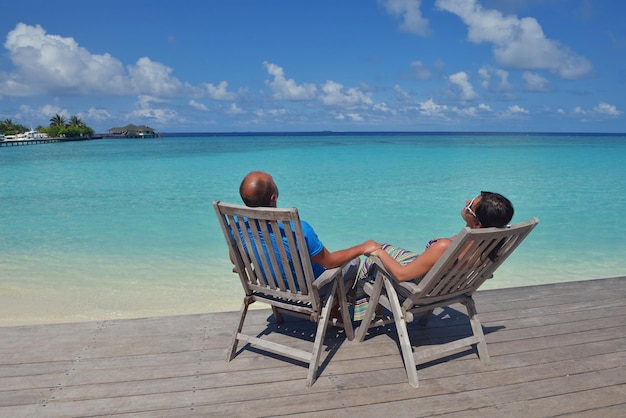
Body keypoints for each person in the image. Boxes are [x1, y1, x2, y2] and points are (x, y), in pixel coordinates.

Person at [354, 191, 514, 320]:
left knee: (373, 259)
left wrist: (378, 252)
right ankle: (375, 309)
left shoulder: (445, 248)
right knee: (384, 247)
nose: (466, 202)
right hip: (444, 288)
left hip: (414, 290)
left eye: (470, 205)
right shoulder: (488, 247)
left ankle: (365, 311)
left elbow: (401, 275)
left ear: (478, 224)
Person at [238, 171, 379, 300]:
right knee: (354, 263)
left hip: (269, 286)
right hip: (309, 289)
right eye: (273, 180)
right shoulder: (297, 230)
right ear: (273, 197)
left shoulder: (239, 227)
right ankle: (334, 309)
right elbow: (329, 261)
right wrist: (362, 248)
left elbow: (235, 259)